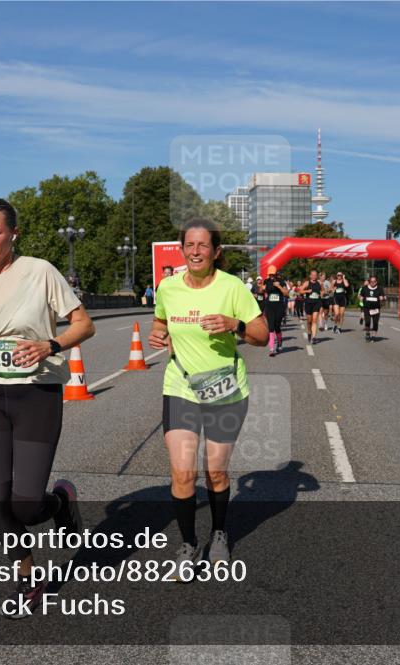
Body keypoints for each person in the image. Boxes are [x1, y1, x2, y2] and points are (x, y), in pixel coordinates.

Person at [0, 198, 96, 618]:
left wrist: (50, 344)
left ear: (13, 234)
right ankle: (28, 578)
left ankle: (60, 503)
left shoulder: (40, 272)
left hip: (37, 395)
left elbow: (84, 324)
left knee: (26, 505)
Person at [147, 218, 267, 572]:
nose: (195, 251)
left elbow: (262, 335)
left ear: (215, 252)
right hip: (180, 386)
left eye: (203, 246)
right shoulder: (167, 288)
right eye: (189, 245)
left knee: (215, 472)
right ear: (182, 249)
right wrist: (158, 335)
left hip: (225, 389)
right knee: (183, 473)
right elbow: (160, 321)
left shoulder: (232, 288)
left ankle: (218, 532)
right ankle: (187, 544)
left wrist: (236, 325)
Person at [261, 266, 289, 356]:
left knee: (277, 326)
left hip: (279, 307)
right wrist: (262, 288)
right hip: (269, 307)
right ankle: (272, 349)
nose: (271, 276)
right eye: (270, 274)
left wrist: (279, 286)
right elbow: (261, 290)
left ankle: (280, 342)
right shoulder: (266, 281)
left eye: (273, 274)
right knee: (271, 327)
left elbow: (286, 294)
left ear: (276, 274)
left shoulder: (281, 282)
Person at [298, 270, 324, 344]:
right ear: (310, 276)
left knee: (315, 320)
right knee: (309, 321)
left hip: (317, 302)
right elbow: (300, 291)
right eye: (312, 275)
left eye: (315, 275)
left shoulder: (319, 283)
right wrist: (307, 291)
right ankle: (309, 332)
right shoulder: (307, 283)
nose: (314, 276)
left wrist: (321, 294)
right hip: (309, 303)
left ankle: (314, 337)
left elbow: (323, 290)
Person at [360, 275, 386, 342]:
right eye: (371, 281)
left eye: (374, 281)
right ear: (369, 281)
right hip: (367, 308)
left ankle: (374, 336)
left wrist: (382, 298)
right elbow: (361, 296)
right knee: (368, 322)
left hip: (376, 309)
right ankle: (368, 333)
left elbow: (383, 297)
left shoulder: (379, 289)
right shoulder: (364, 288)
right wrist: (361, 298)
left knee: (375, 323)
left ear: (376, 282)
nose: (373, 283)